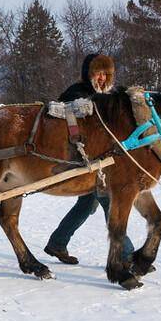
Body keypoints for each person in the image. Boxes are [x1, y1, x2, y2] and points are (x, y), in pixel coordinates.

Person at [43, 54, 135, 265]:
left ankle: (58, 242)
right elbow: (62, 120)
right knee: (108, 201)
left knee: (87, 204)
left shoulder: (110, 95)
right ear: (89, 74)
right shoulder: (76, 93)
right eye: (98, 73)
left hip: (103, 159)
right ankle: (126, 254)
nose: (102, 78)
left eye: (106, 74)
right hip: (81, 158)